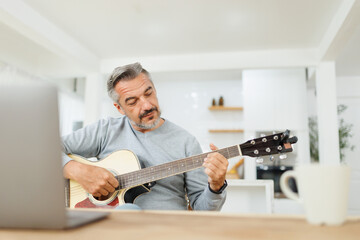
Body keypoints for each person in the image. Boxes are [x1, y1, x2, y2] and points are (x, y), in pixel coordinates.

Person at [62, 62, 228, 210]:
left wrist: (216, 186)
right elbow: (43, 150)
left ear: (154, 90)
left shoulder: (186, 142)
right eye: (133, 102)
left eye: (148, 93)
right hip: (113, 229)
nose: (147, 105)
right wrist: (76, 170)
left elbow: (203, 210)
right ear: (119, 108)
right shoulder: (104, 130)